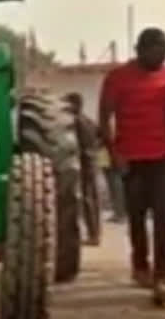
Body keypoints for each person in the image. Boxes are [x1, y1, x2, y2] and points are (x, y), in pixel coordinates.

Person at [98, 27, 165, 305]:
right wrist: (113, 152)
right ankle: (140, 265)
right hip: (131, 157)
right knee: (137, 217)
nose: (163, 58)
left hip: (164, 158)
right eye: (158, 52)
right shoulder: (118, 78)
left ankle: (163, 272)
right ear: (141, 50)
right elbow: (104, 117)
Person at [65, 92, 102, 246]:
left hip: (82, 161)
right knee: (92, 196)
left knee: (86, 198)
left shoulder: (76, 122)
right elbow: (103, 137)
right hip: (92, 160)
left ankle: (93, 234)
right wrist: (94, 149)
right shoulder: (90, 121)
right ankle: (95, 232)